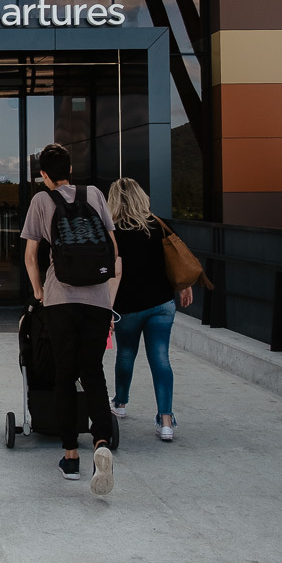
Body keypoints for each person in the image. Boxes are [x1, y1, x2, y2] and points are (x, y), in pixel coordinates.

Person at [20, 143, 119, 495]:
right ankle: (102, 442)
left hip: (60, 298)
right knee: (93, 372)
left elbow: (32, 256)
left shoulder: (41, 202)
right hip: (97, 300)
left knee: (64, 375)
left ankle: (71, 455)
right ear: (71, 170)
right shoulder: (94, 194)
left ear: (44, 174)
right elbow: (113, 249)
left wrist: (38, 292)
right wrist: (106, 293)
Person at [107, 177, 193, 442]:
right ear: (140, 197)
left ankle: (120, 403)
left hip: (127, 306)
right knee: (160, 358)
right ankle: (166, 421)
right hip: (161, 304)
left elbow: (110, 272)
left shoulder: (112, 231)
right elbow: (174, 258)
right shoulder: (158, 225)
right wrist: (184, 285)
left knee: (126, 354)